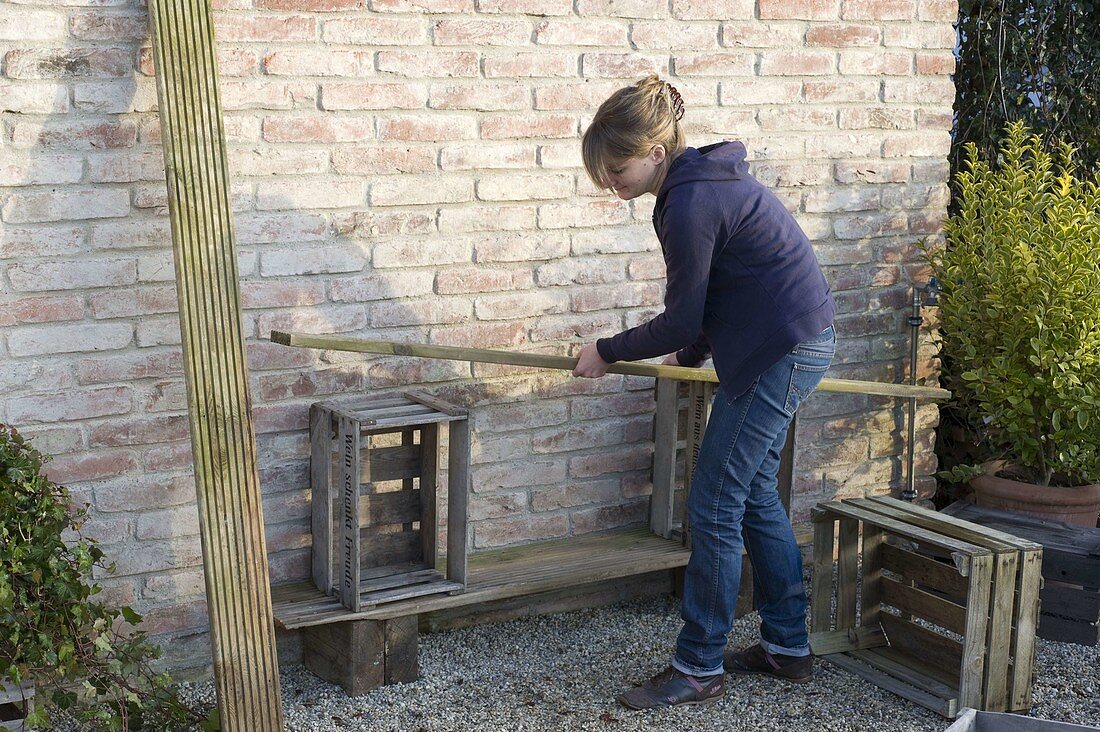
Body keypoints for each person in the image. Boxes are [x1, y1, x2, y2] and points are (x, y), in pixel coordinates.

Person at [571, 75, 837, 709]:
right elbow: (721, 290)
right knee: (750, 499)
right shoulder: (697, 186)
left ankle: (698, 666)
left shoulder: (689, 202)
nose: (612, 182)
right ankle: (787, 648)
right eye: (603, 172)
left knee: (714, 502)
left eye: (618, 166)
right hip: (789, 340)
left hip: (781, 350)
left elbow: (688, 314)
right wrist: (689, 353)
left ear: (657, 150)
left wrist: (605, 351)